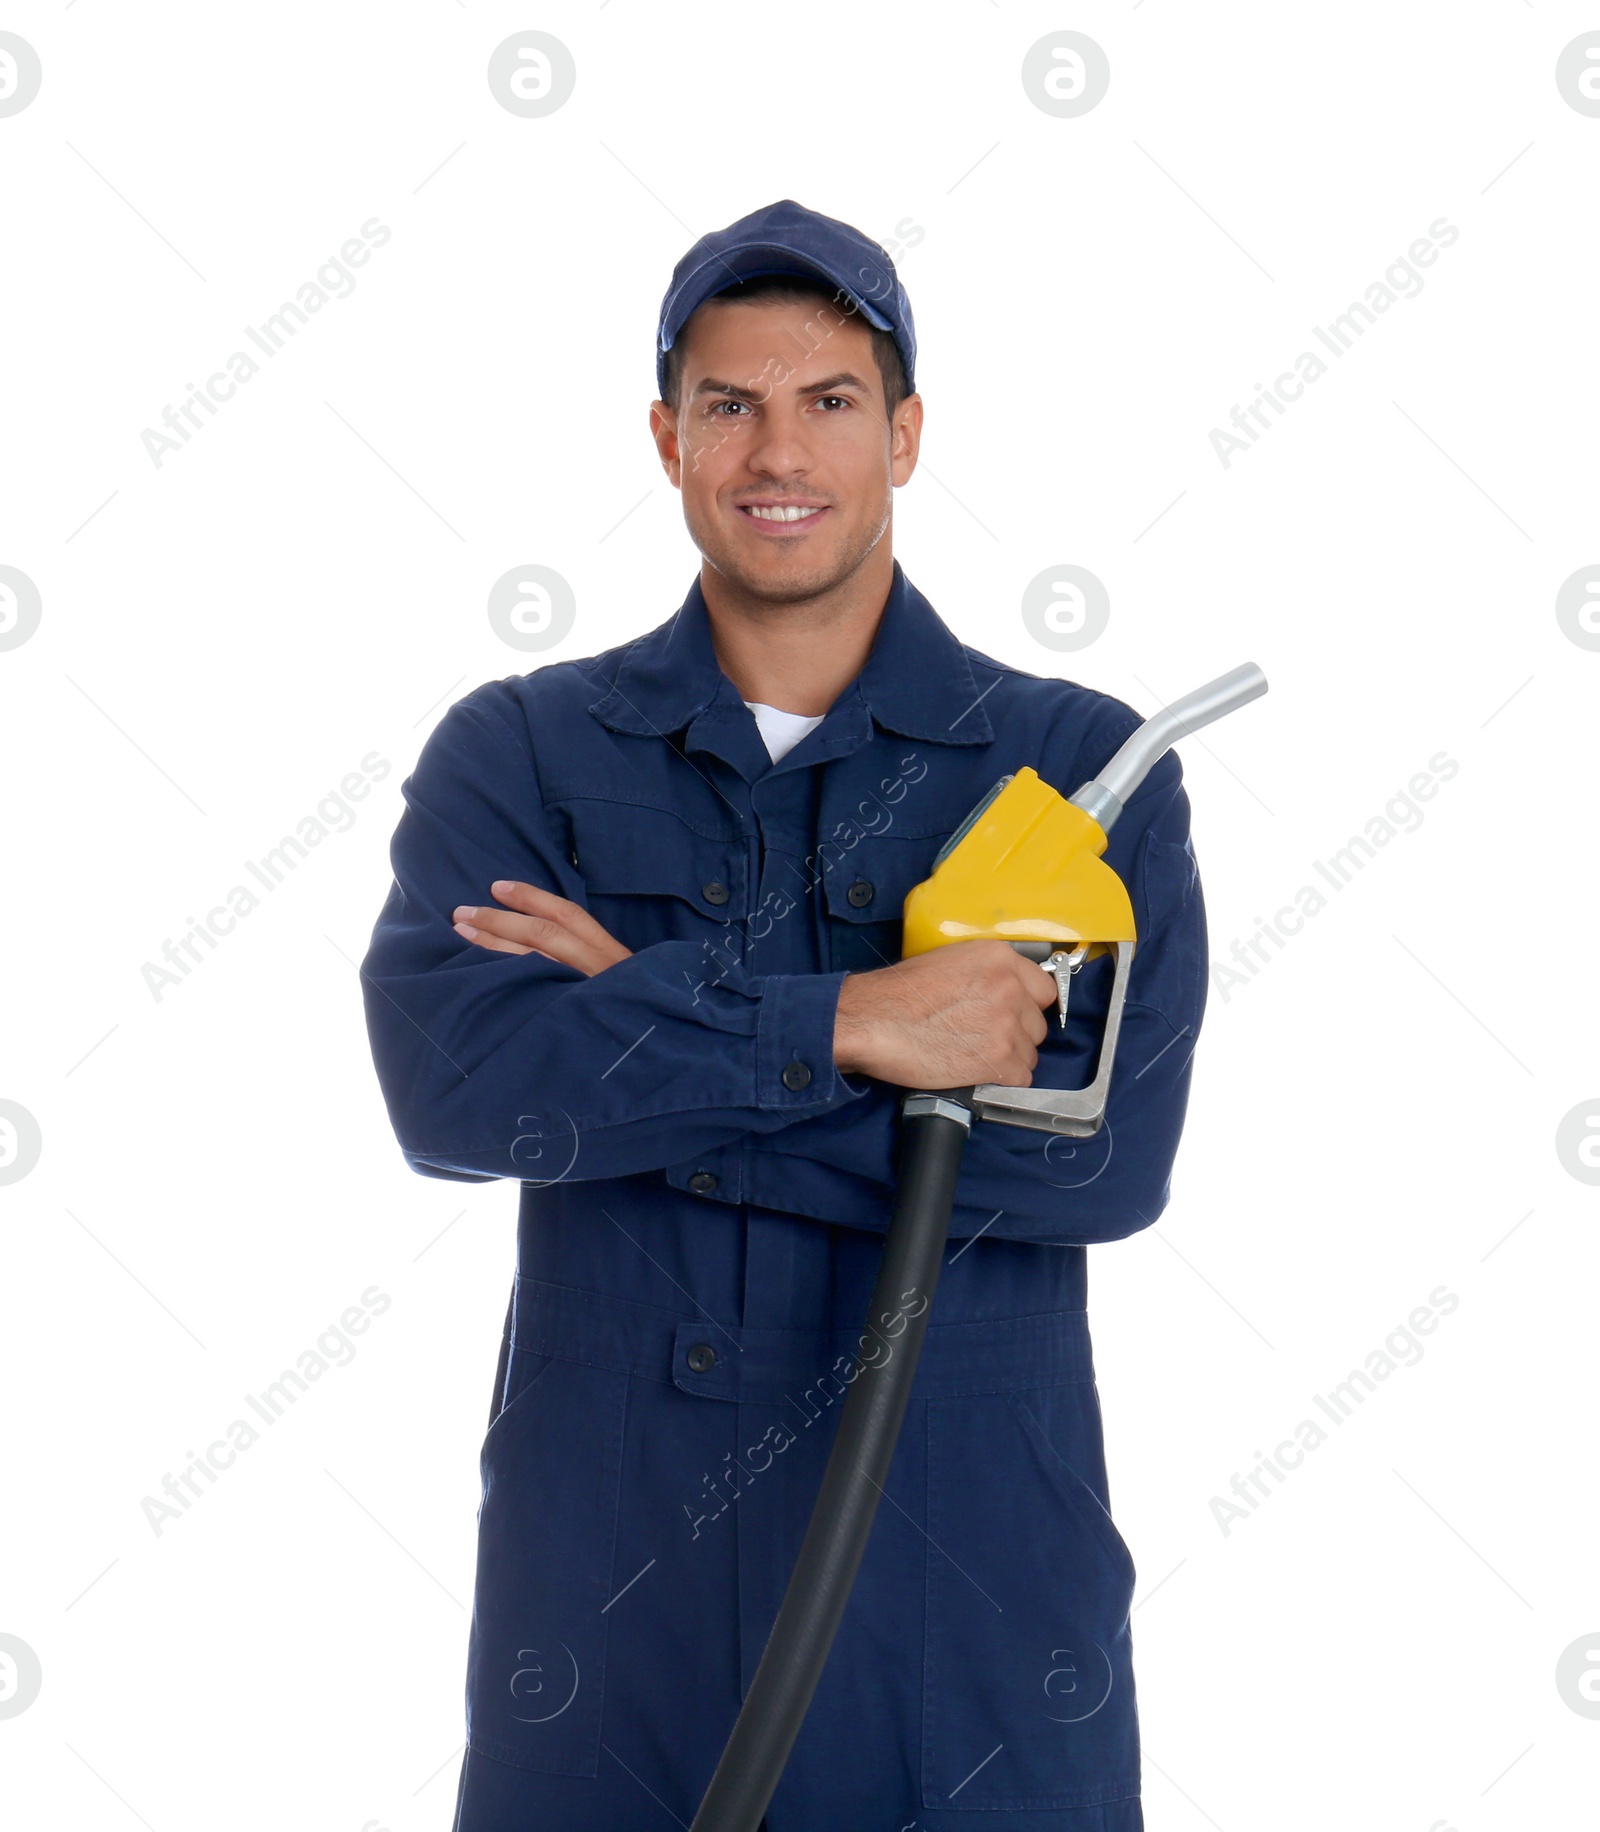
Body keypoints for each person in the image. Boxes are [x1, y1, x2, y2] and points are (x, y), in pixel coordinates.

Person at [359, 199, 1207, 1832]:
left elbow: (1102, 1172)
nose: (778, 449)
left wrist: (647, 1026)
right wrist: (855, 1029)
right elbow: (461, 1093)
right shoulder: (521, 754)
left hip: (968, 1604)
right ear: (667, 437)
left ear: (903, 433)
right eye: (731, 403)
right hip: (612, 1599)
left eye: (827, 401)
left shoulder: (1075, 777)